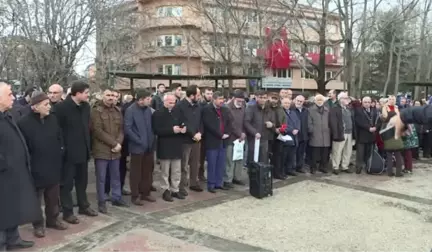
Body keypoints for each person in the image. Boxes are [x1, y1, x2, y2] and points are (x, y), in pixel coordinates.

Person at [17, 91, 68, 238]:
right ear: (35, 107)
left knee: (53, 197)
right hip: (36, 168)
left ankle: (53, 220)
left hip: (53, 165)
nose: (49, 107)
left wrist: (61, 152)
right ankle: (38, 225)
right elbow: (23, 147)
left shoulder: (53, 119)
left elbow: (60, 137)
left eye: (49, 104)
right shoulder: (23, 123)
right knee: (36, 200)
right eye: (45, 105)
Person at [0, 80, 40, 251]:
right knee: (2, 210)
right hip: (3, 173)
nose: (13, 97)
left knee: (13, 208)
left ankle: (13, 239)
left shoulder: (8, 114)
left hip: (14, 172)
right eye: (9, 94)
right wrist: (5, 164)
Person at [55, 80, 98, 224]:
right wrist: (62, 149)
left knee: (82, 182)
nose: (88, 95)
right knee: (66, 184)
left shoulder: (86, 107)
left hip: (83, 151)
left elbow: (87, 128)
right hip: (68, 154)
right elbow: (57, 131)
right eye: (86, 93)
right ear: (78, 93)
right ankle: (67, 212)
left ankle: (83, 206)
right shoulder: (61, 108)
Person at [91, 88, 129, 213]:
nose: (111, 97)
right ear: (103, 96)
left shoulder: (118, 110)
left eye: (113, 95)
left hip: (116, 150)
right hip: (102, 149)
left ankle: (117, 198)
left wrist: (118, 143)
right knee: (101, 178)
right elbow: (97, 131)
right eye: (108, 95)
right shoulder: (96, 111)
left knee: (116, 176)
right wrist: (113, 143)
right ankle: (101, 201)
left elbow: (121, 129)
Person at [124, 89, 156, 205]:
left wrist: (152, 140)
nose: (150, 100)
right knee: (136, 172)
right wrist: (139, 141)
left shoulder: (149, 110)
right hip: (137, 147)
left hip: (149, 146)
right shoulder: (130, 110)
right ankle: (135, 195)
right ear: (141, 100)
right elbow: (128, 129)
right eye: (148, 98)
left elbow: (152, 127)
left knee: (147, 171)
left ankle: (145, 193)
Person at [153, 93, 186, 201]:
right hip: (165, 144)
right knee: (165, 171)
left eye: (174, 102)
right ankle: (165, 190)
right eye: (170, 102)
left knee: (176, 170)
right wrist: (172, 130)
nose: (172, 104)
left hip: (177, 144)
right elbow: (157, 130)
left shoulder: (178, 111)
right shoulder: (158, 113)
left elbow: (183, 122)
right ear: (164, 102)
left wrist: (183, 128)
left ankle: (175, 189)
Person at [202, 91, 232, 193]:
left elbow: (228, 122)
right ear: (214, 99)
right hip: (212, 140)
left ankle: (219, 183)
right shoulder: (207, 109)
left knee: (221, 163)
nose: (222, 101)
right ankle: (211, 184)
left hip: (223, 140)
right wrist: (220, 134)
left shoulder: (225, 109)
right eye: (219, 99)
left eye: (223, 99)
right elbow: (209, 125)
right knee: (212, 163)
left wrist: (227, 133)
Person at [176, 85, 203, 196]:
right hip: (185, 140)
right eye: (198, 95)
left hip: (197, 139)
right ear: (191, 95)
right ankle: (181, 186)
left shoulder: (198, 106)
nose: (199, 97)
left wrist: (200, 133)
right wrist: (193, 134)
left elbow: (201, 121)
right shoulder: (180, 106)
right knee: (183, 165)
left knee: (195, 163)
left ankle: (194, 182)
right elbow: (183, 122)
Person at [244, 90, 275, 164]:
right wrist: (255, 132)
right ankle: (252, 174)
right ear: (256, 97)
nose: (262, 99)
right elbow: (246, 122)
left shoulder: (269, 109)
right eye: (260, 97)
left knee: (263, 160)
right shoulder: (251, 108)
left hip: (265, 138)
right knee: (253, 160)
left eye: (264, 97)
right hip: (253, 138)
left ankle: (262, 175)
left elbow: (274, 123)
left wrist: (272, 125)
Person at [329, 92, 355, 175]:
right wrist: (336, 134)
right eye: (345, 98)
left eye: (347, 98)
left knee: (348, 151)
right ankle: (335, 167)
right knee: (337, 151)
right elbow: (333, 123)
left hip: (349, 133)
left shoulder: (348, 109)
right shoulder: (335, 108)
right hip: (340, 133)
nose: (347, 99)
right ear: (340, 99)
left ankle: (345, 166)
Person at [224, 90, 246, 186]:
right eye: (239, 100)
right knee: (230, 159)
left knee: (239, 158)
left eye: (242, 100)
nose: (240, 102)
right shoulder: (227, 108)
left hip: (241, 138)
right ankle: (228, 179)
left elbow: (245, 122)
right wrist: (239, 134)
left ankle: (237, 177)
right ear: (233, 98)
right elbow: (230, 124)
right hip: (231, 138)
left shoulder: (243, 108)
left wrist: (243, 134)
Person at [354, 96, 378, 174]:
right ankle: (359, 167)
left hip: (371, 135)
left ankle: (368, 166)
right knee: (360, 153)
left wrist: (376, 127)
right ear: (362, 102)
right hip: (362, 135)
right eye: (365, 102)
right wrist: (368, 128)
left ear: (371, 103)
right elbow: (358, 121)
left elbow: (378, 120)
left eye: (368, 102)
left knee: (369, 152)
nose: (367, 104)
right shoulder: (358, 110)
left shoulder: (374, 111)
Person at [308, 94, 331, 174]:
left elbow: (330, 121)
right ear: (315, 101)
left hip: (326, 134)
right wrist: (311, 130)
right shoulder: (310, 110)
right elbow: (309, 122)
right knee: (314, 153)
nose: (319, 101)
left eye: (321, 100)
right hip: (315, 134)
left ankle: (323, 167)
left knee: (325, 153)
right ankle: (313, 168)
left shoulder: (327, 110)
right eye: (318, 100)